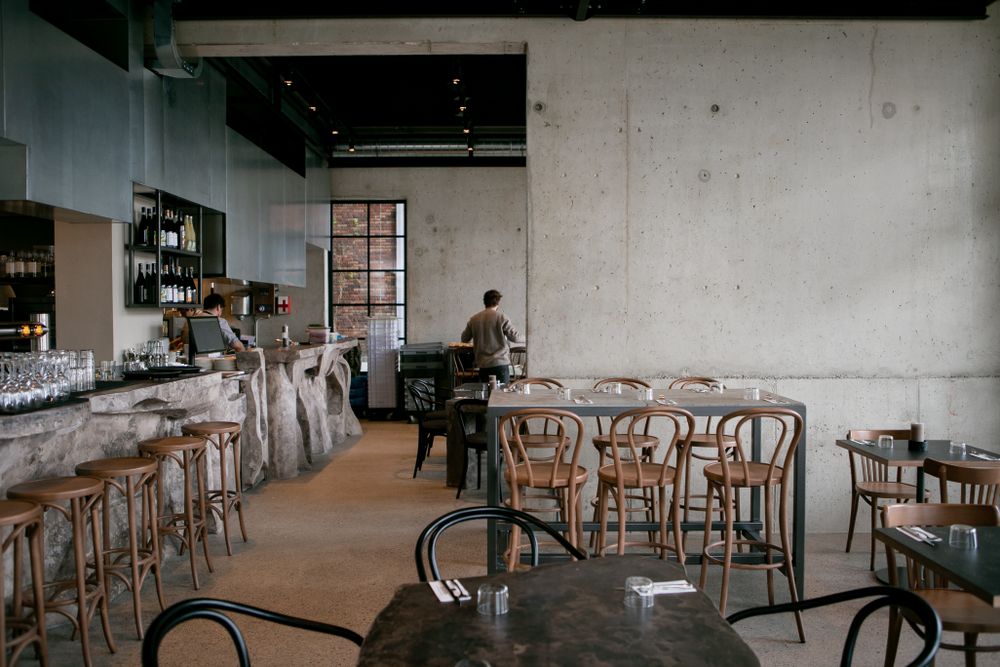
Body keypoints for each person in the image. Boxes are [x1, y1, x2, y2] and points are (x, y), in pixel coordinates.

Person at [461, 289, 521, 384]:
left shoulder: (474, 319)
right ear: (498, 303)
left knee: (485, 392)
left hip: (483, 365)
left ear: (484, 302)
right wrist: (529, 338)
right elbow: (515, 338)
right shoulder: (502, 317)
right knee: (501, 392)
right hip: (500, 364)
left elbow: (464, 339)